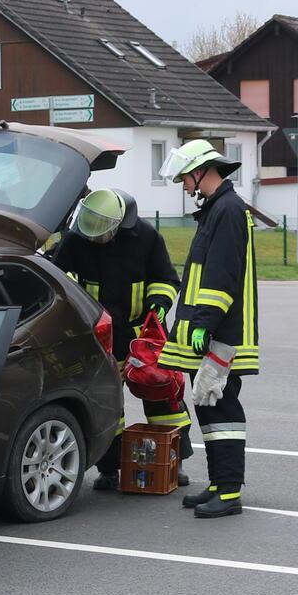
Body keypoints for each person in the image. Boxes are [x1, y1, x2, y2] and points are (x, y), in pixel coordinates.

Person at [46, 188, 189, 490]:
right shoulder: (76, 238)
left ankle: (174, 461)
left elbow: (165, 278)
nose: (96, 239)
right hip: (98, 337)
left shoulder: (147, 238)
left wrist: (159, 305)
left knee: (163, 394)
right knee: (107, 404)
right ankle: (109, 468)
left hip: (141, 335)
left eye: (102, 234)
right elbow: (56, 277)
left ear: (119, 224)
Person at [156, 139, 257, 517]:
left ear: (202, 171)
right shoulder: (218, 208)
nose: (184, 184)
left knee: (222, 408)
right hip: (211, 332)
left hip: (221, 335)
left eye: (185, 177)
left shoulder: (227, 210)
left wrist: (204, 325)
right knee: (209, 408)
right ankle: (218, 483)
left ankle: (229, 492)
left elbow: (221, 276)